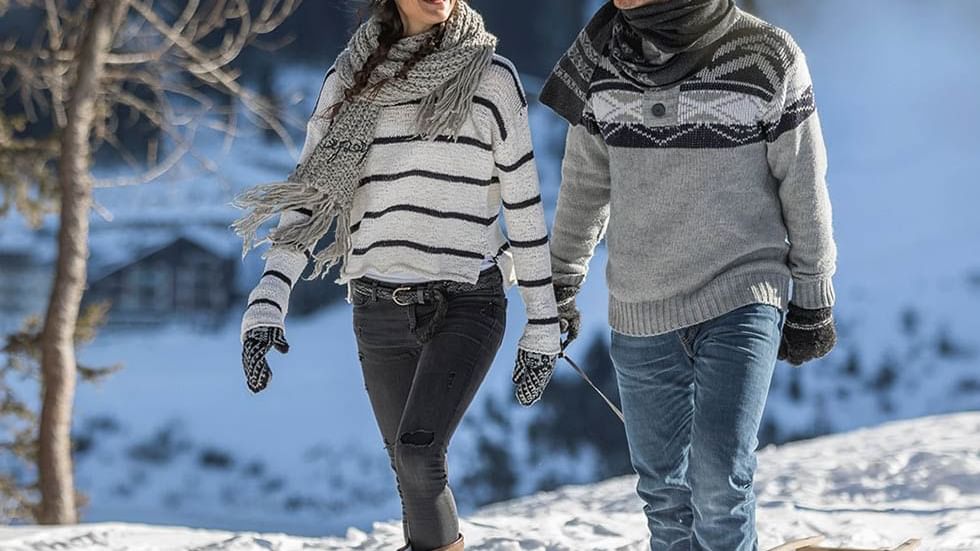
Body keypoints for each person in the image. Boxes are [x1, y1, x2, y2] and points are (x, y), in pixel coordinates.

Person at [232, 1, 561, 549]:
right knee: (410, 475)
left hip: (467, 300)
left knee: (418, 454)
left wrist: (542, 327)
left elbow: (524, 211)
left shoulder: (490, 77)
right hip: (378, 306)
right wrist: (269, 298)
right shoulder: (351, 80)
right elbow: (310, 198)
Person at [536, 0, 839, 549]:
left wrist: (813, 295)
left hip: (742, 291)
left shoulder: (767, 55)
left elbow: (803, 181)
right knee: (665, 497)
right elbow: (584, 183)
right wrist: (559, 283)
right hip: (640, 304)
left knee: (720, 482)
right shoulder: (602, 59)